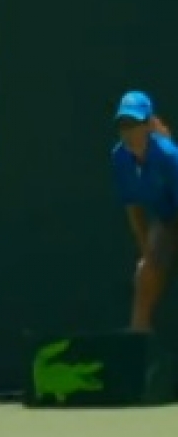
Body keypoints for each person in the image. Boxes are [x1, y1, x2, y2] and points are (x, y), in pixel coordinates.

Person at [112, 90, 178, 332]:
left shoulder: (169, 156)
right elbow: (133, 207)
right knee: (145, 272)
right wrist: (147, 252)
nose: (129, 132)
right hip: (166, 218)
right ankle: (139, 331)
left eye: (134, 124)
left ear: (149, 125)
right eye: (123, 125)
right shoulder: (119, 158)